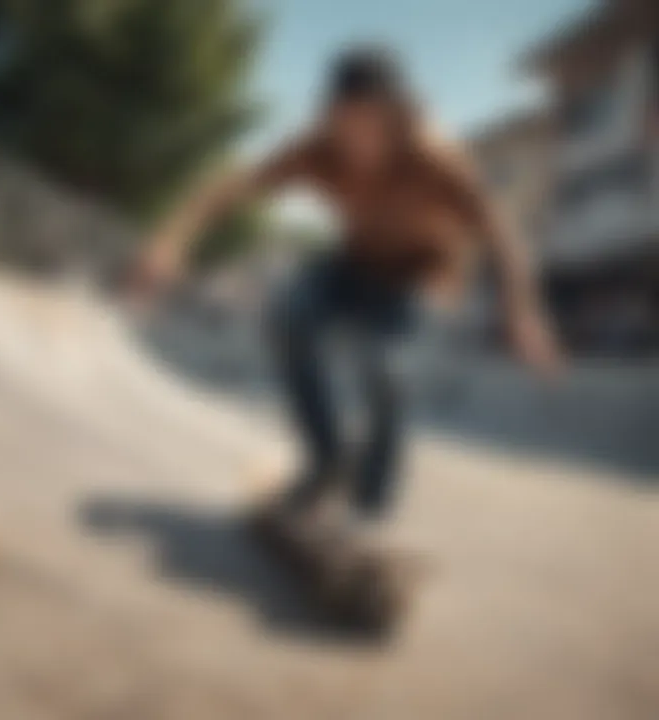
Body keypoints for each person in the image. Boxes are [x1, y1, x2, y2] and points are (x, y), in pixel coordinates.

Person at [130, 46, 561, 550]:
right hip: (349, 265)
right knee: (290, 313)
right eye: (345, 123)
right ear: (330, 118)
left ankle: (369, 507)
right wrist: (170, 240)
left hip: (413, 280)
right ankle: (326, 459)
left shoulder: (434, 158)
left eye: (371, 123)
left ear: (398, 117)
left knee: (385, 374)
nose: (356, 139)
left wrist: (522, 310)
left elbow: (500, 231)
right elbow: (232, 186)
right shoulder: (317, 149)